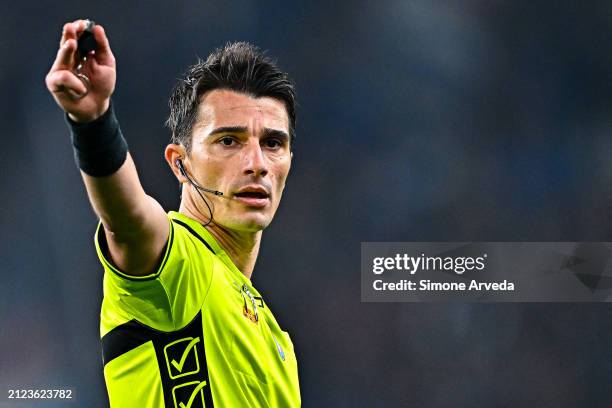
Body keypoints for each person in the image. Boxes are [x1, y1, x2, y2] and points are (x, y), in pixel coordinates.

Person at [45, 19, 300, 407]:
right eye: (228, 140)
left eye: (272, 143)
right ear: (180, 165)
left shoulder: (277, 338)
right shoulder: (179, 264)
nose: (257, 163)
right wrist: (94, 124)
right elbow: (128, 220)